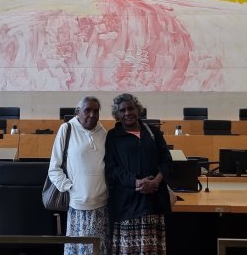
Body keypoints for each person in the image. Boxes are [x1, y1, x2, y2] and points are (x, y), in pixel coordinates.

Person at [105, 93, 173, 255]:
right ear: (117, 114)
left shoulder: (153, 132)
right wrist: (136, 183)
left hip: (154, 202)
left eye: (131, 108)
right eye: (122, 110)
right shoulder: (113, 136)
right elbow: (111, 169)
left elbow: (167, 161)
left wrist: (155, 181)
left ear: (138, 109)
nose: (127, 113)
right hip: (127, 204)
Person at [48, 96, 110, 255]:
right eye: (87, 110)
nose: (92, 114)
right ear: (78, 112)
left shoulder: (104, 133)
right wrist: (71, 188)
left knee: (99, 251)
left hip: (101, 207)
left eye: (96, 111)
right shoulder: (67, 129)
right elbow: (54, 168)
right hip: (77, 208)